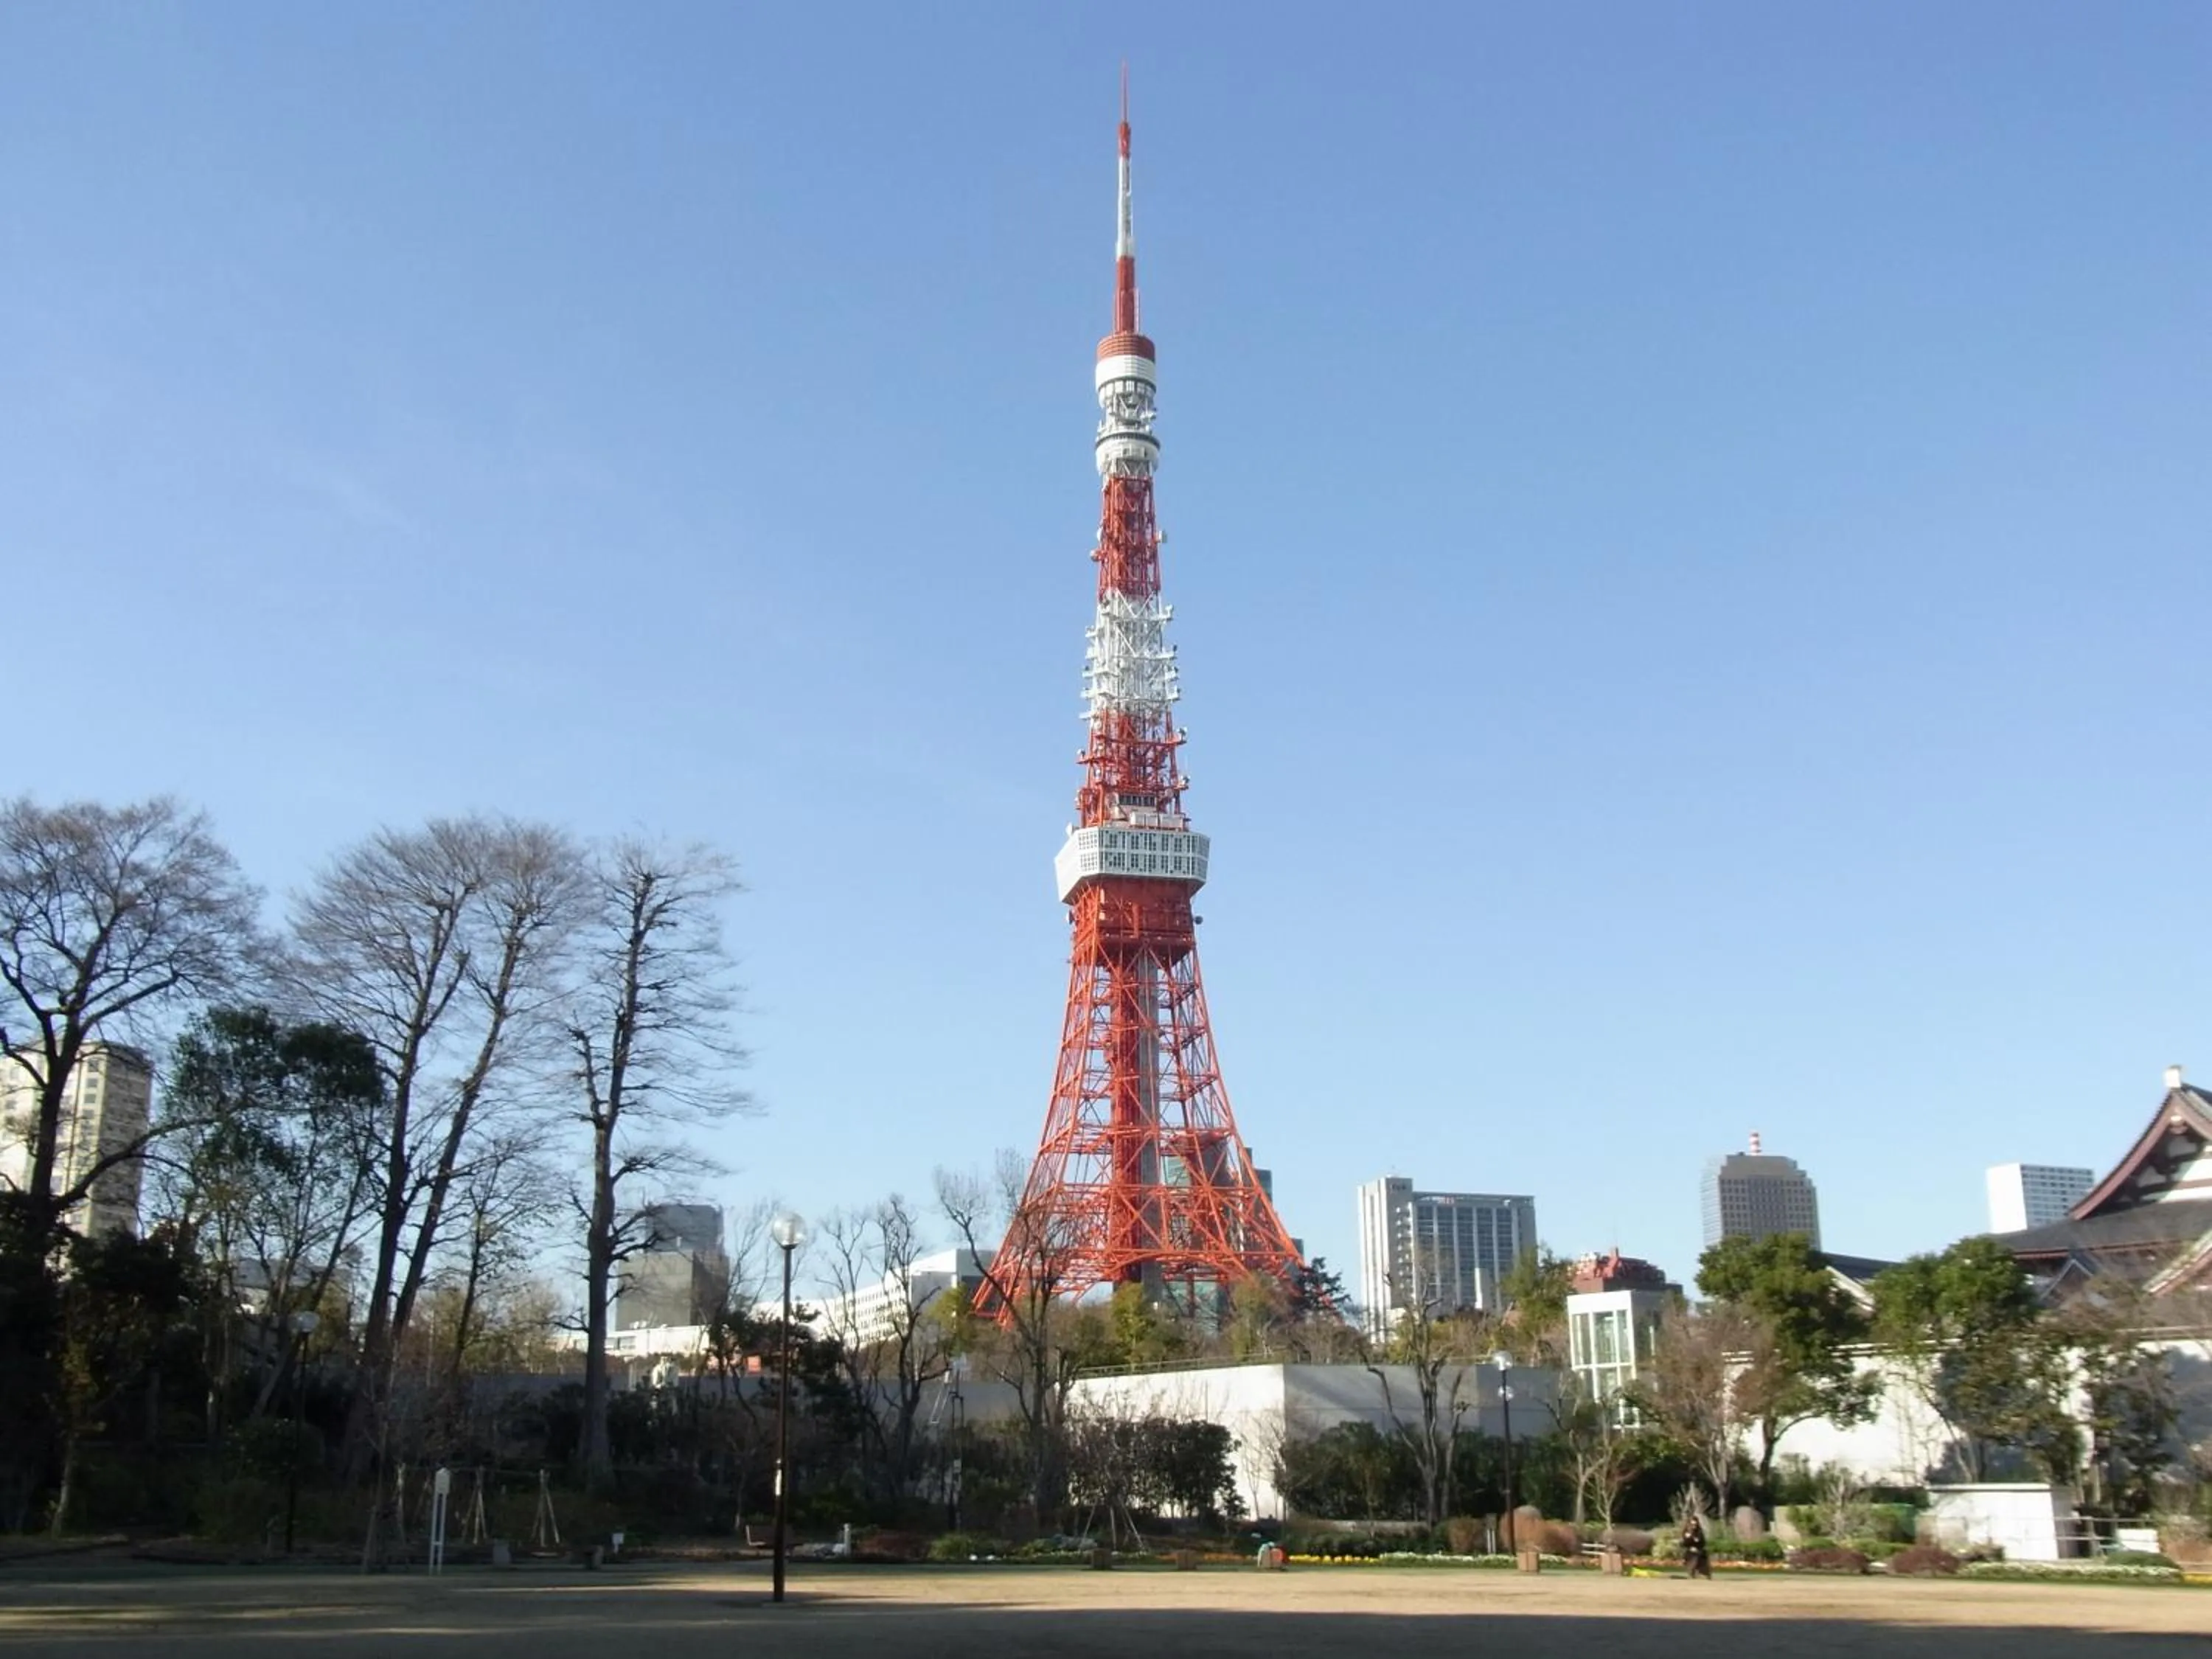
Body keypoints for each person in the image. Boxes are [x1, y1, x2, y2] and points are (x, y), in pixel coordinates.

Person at [1680, 1511, 1712, 1580]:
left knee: (1700, 1556)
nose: (1694, 1526)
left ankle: (1704, 1574)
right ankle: (1692, 1572)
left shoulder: (1699, 1532)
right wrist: (1688, 1539)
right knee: (1693, 1556)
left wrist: (1697, 1541)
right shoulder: (1686, 1532)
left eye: (1695, 1525)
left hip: (1699, 1551)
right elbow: (1683, 1544)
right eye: (1693, 1525)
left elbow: (1703, 1543)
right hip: (1689, 1551)